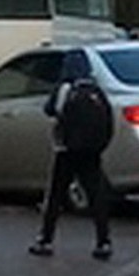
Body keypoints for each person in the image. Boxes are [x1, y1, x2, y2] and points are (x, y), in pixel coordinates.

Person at [29, 51, 114, 261]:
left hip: (67, 149)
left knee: (56, 195)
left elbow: (50, 110)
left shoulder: (66, 88)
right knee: (95, 194)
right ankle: (103, 241)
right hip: (92, 150)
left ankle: (45, 240)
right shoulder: (95, 89)